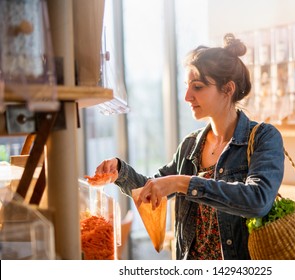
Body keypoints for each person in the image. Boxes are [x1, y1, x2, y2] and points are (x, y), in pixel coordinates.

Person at [95, 33, 285, 260]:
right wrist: (119, 170)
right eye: (187, 86)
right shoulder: (190, 146)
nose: (187, 96)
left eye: (197, 87)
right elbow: (152, 189)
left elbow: (258, 201)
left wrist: (181, 182)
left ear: (228, 89)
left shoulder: (264, 137)